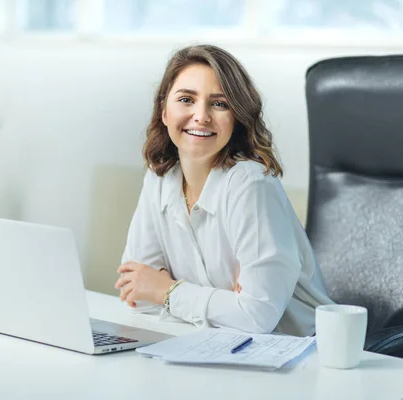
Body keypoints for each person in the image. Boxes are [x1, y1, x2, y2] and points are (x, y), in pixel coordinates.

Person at [114, 44, 333, 337]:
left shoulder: (250, 184)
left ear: (237, 118)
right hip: (213, 348)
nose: (201, 116)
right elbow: (137, 295)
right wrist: (222, 304)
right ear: (164, 111)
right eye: (186, 99)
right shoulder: (159, 178)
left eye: (219, 104)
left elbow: (257, 317)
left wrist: (167, 290)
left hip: (298, 355)